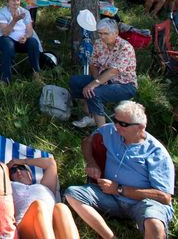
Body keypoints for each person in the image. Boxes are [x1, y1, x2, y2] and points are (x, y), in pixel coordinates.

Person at [64, 101, 174, 239]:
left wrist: (119, 189)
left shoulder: (156, 153)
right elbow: (87, 141)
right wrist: (91, 163)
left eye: (123, 124)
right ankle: (109, 237)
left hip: (141, 203)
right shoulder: (110, 130)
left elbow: (164, 197)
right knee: (72, 194)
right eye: (115, 120)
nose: (116, 126)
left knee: (155, 224)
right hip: (111, 197)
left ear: (141, 127)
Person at [69, 18, 137, 128]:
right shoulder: (99, 43)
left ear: (116, 33)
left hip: (124, 84)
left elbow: (113, 71)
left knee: (94, 92)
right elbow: (93, 63)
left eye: (106, 33)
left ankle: (102, 130)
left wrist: (94, 84)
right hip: (102, 78)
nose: (102, 36)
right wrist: (97, 79)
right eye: (100, 33)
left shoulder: (125, 47)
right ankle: (90, 116)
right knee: (75, 81)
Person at [7, 157, 79, 239]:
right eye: (13, 171)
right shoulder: (10, 186)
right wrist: (5, 168)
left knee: (61, 207)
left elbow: (50, 163)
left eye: (21, 168)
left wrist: (21, 161)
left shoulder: (45, 186)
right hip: (27, 227)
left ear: (30, 174)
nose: (18, 171)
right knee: (39, 205)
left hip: (53, 226)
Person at [0, 0, 42, 84]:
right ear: (8, 1)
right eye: (12, 0)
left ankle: (36, 74)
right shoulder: (3, 12)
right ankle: (5, 79)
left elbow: (30, 30)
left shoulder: (25, 12)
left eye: (17, 0)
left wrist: (26, 37)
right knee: (8, 45)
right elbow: (5, 33)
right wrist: (14, 20)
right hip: (4, 38)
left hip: (21, 41)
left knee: (33, 42)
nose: (15, 2)